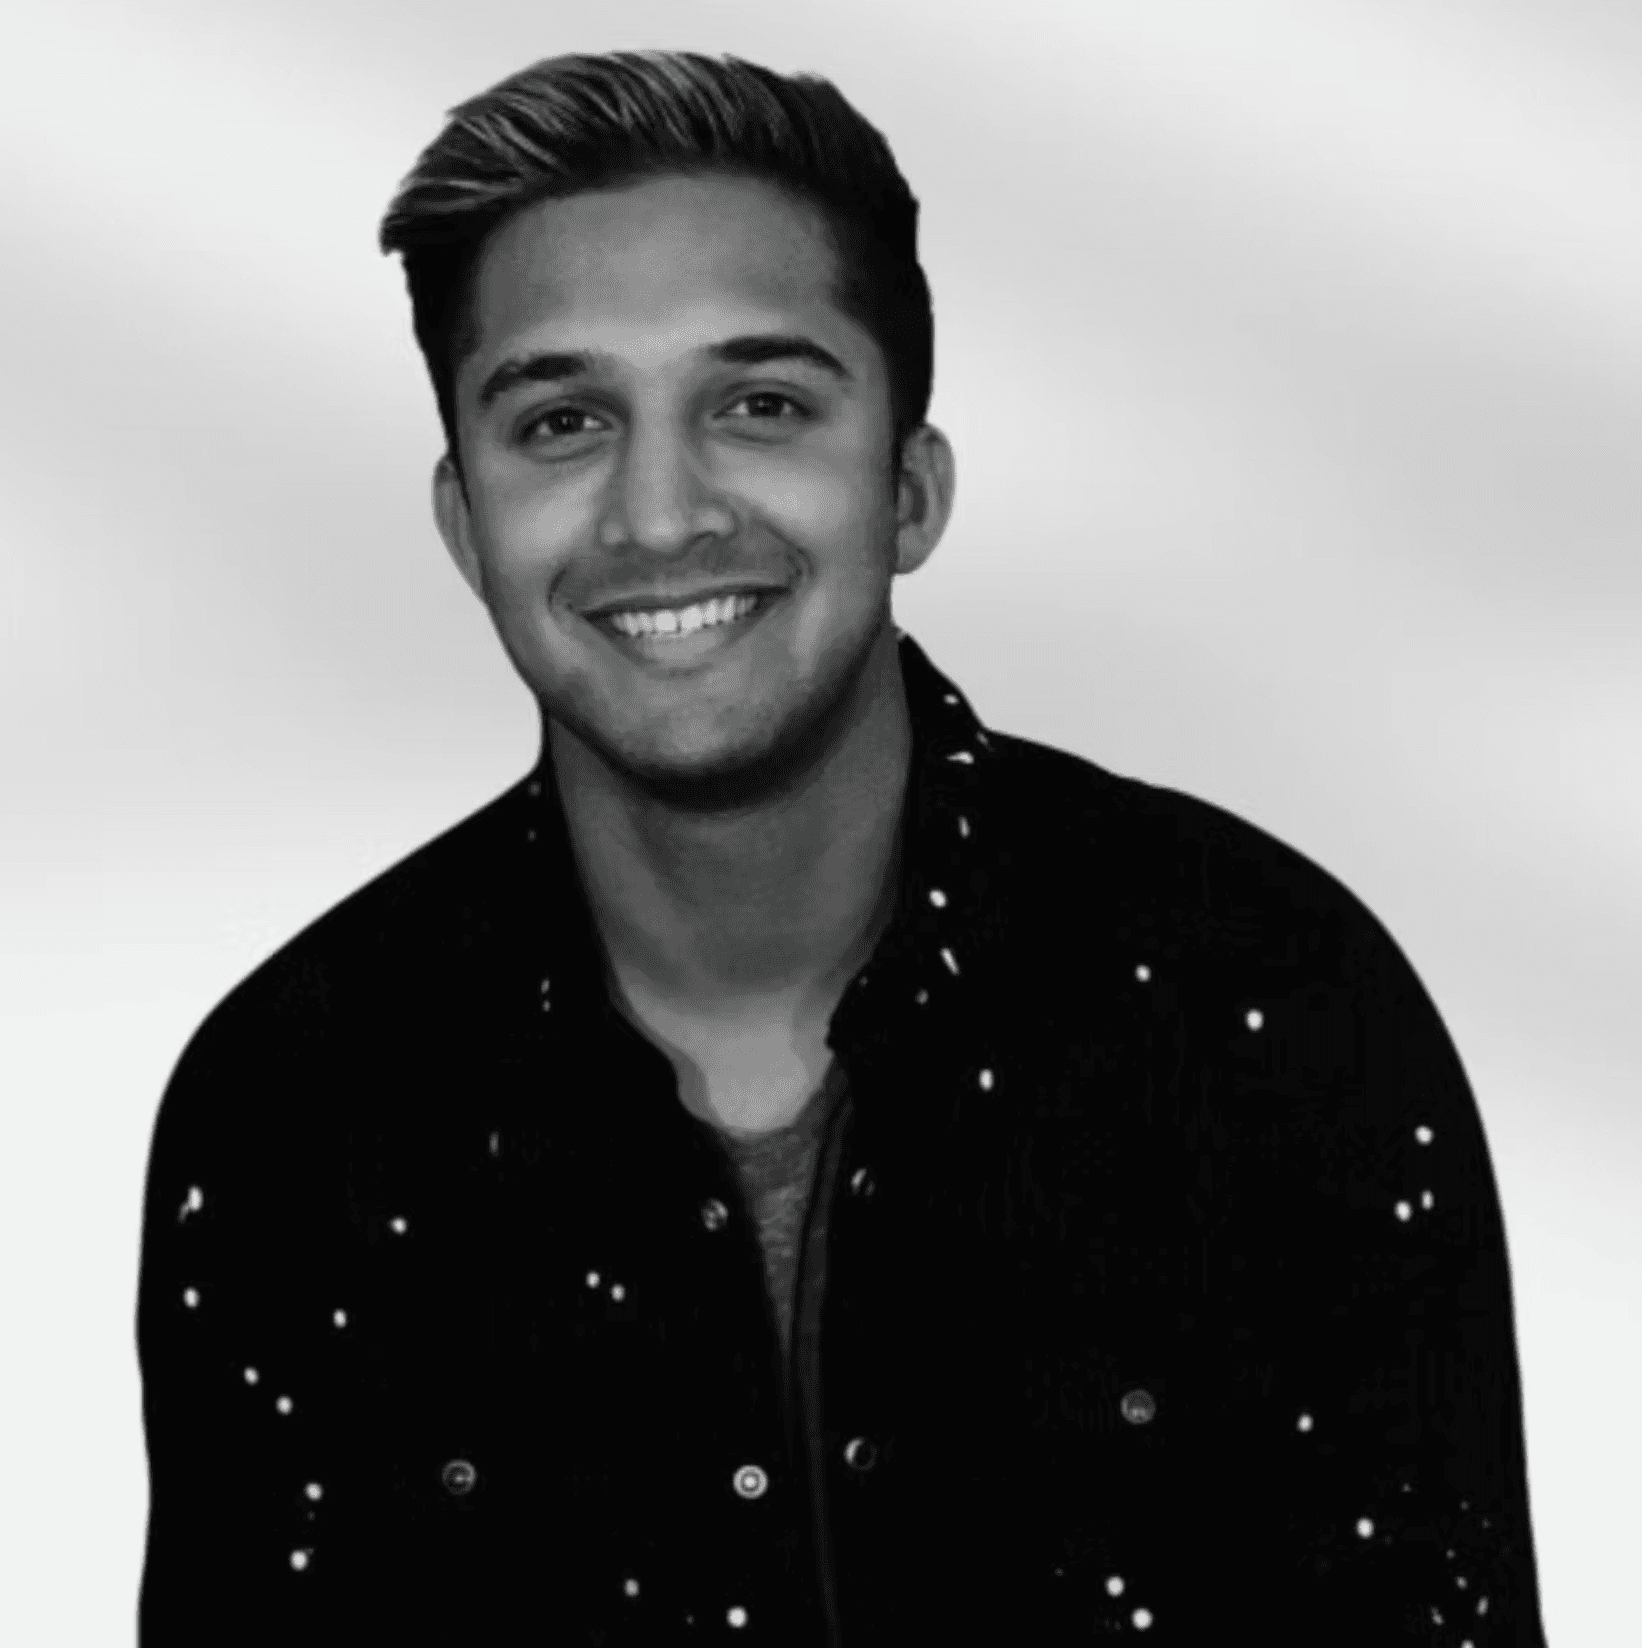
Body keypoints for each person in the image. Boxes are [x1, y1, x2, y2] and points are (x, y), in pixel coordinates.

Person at [135, 49, 1548, 1646]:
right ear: (466, 527)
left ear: (909, 488)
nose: (659, 514)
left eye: (760, 406)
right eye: (562, 421)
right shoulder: (298, 1106)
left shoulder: (1271, 1009)